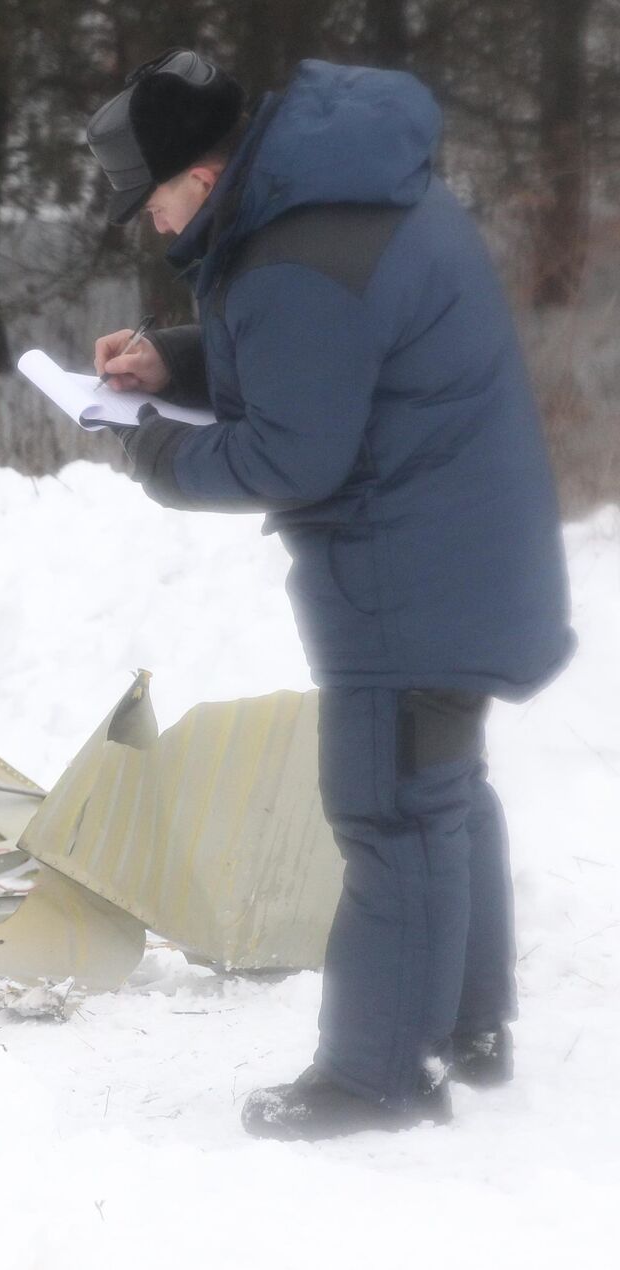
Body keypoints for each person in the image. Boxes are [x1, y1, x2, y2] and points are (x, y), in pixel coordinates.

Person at [83, 50, 575, 1141]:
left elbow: (291, 451)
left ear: (200, 181)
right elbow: (321, 352)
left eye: (152, 202)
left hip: (411, 570)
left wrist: (151, 453)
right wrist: (173, 363)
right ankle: (467, 1025)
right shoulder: (334, 189)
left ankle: (376, 1077)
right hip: (464, 546)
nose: (154, 227)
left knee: (391, 805)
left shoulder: (293, 251)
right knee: (443, 790)